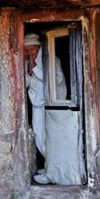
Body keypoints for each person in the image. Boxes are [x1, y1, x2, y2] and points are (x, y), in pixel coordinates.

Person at [24, 33, 67, 184]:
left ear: (38, 48)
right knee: (40, 136)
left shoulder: (50, 60)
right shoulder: (33, 61)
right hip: (39, 104)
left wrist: (34, 68)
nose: (29, 53)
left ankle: (54, 171)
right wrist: (28, 68)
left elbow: (53, 80)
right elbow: (29, 83)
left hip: (50, 106)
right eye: (27, 50)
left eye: (31, 50)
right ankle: (50, 167)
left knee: (47, 138)